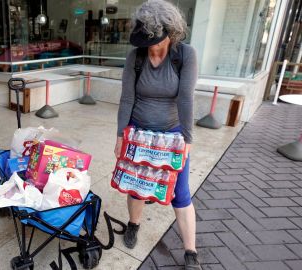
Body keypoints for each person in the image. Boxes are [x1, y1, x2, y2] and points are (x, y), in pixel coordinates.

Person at [114, 1, 200, 269]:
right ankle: (133, 224)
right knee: (137, 187)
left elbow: (186, 98)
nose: (150, 46)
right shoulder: (135, 56)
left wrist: (187, 138)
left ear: (171, 33)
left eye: (155, 40)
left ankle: (190, 252)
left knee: (181, 192)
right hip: (139, 132)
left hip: (172, 133)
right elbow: (127, 98)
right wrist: (120, 136)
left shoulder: (185, 55)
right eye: (146, 40)